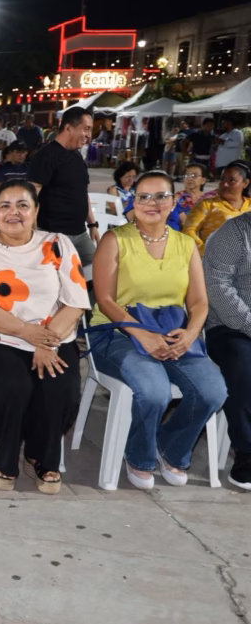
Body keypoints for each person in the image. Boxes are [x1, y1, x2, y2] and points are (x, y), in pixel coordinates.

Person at [90, 171, 226, 490]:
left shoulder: (185, 244)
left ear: (174, 201)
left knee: (213, 391)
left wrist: (191, 334)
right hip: (118, 332)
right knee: (154, 391)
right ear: (133, 201)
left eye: (161, 196)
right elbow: (105, 299)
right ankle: (139, 455)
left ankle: (170, 447)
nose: (152, 203)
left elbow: (199, 302)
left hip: (173, 332)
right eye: (144, 197)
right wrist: (142, 334)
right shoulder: (115, 240)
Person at [0, 179, 89, 493]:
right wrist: (30, 334)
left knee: (62, 390)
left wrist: (46, 340)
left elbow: (76, 301)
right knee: (15, 386)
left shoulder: (57, 244)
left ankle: (41, 454)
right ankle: (6, 457)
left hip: (55, 335)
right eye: (5, 205)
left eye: (22, 205)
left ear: (36, 211)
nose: (14, 212)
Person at [204, 211, 251, 490]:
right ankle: (247, 452)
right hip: (230, 327)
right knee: (245, 366)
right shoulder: (235, 233)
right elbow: (217, 286)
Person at [27, 106, 100, 266]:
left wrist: (92, 224)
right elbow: (31, 195)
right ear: (68, 128)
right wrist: (34, 235)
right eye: (86, 129)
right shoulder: (47, 155)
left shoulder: (77, 155)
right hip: (53, 235)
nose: (89, 136)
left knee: (98, 274)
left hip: (80, 234)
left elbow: (82, 192)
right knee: (60, 283)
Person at [182, 160, 251, 255]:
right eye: (222, 179)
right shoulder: (208, 204)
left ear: (245, 183)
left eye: (232, 180)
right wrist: (208, 252)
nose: (225, 184)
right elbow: (188, 231)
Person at [177, 162, 209, 227]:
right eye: (187, 175)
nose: (190, 178)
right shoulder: (177, 198)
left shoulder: (208, 199)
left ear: (203, 180)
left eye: (194, 176)